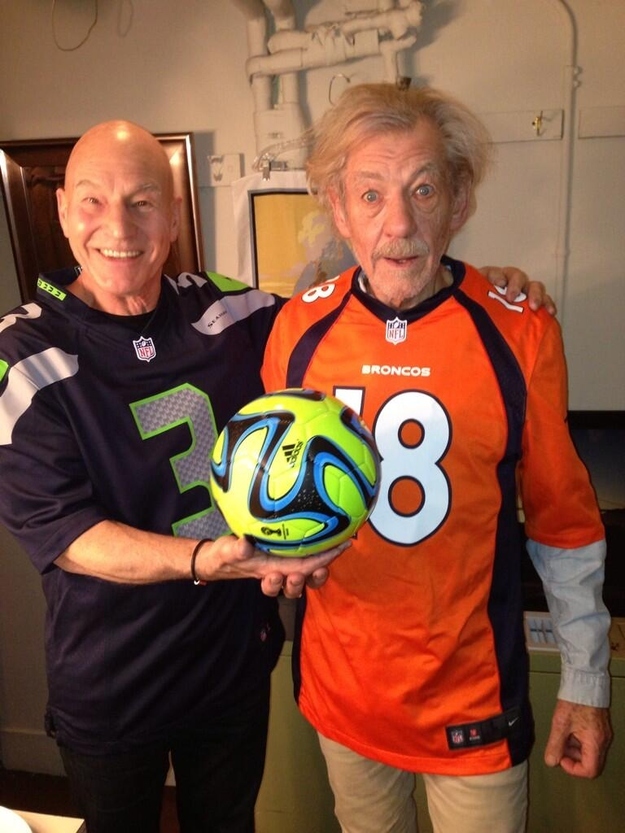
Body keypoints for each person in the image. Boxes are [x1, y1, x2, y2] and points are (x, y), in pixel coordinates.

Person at [0, 118, 550, 833]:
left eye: (142, 202)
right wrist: (207, 560)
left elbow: (360, 308)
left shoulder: (236, 310)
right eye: (93, 202)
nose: (119, 227)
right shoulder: (21, 351)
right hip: (114, 681)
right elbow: (67, 535)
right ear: (62, 211)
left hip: (230, 669)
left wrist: (473, 284)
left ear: (173, 214)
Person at [261, 83, 613, 833]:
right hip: (342, 697)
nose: (399, 223)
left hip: (471, 706)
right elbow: (274, 494)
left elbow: (563, 521)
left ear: (459, 202)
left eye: (423, 189)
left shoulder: (520, 332)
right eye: (371, 194)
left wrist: (586, 679)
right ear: (338, 208)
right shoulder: (296, 329)